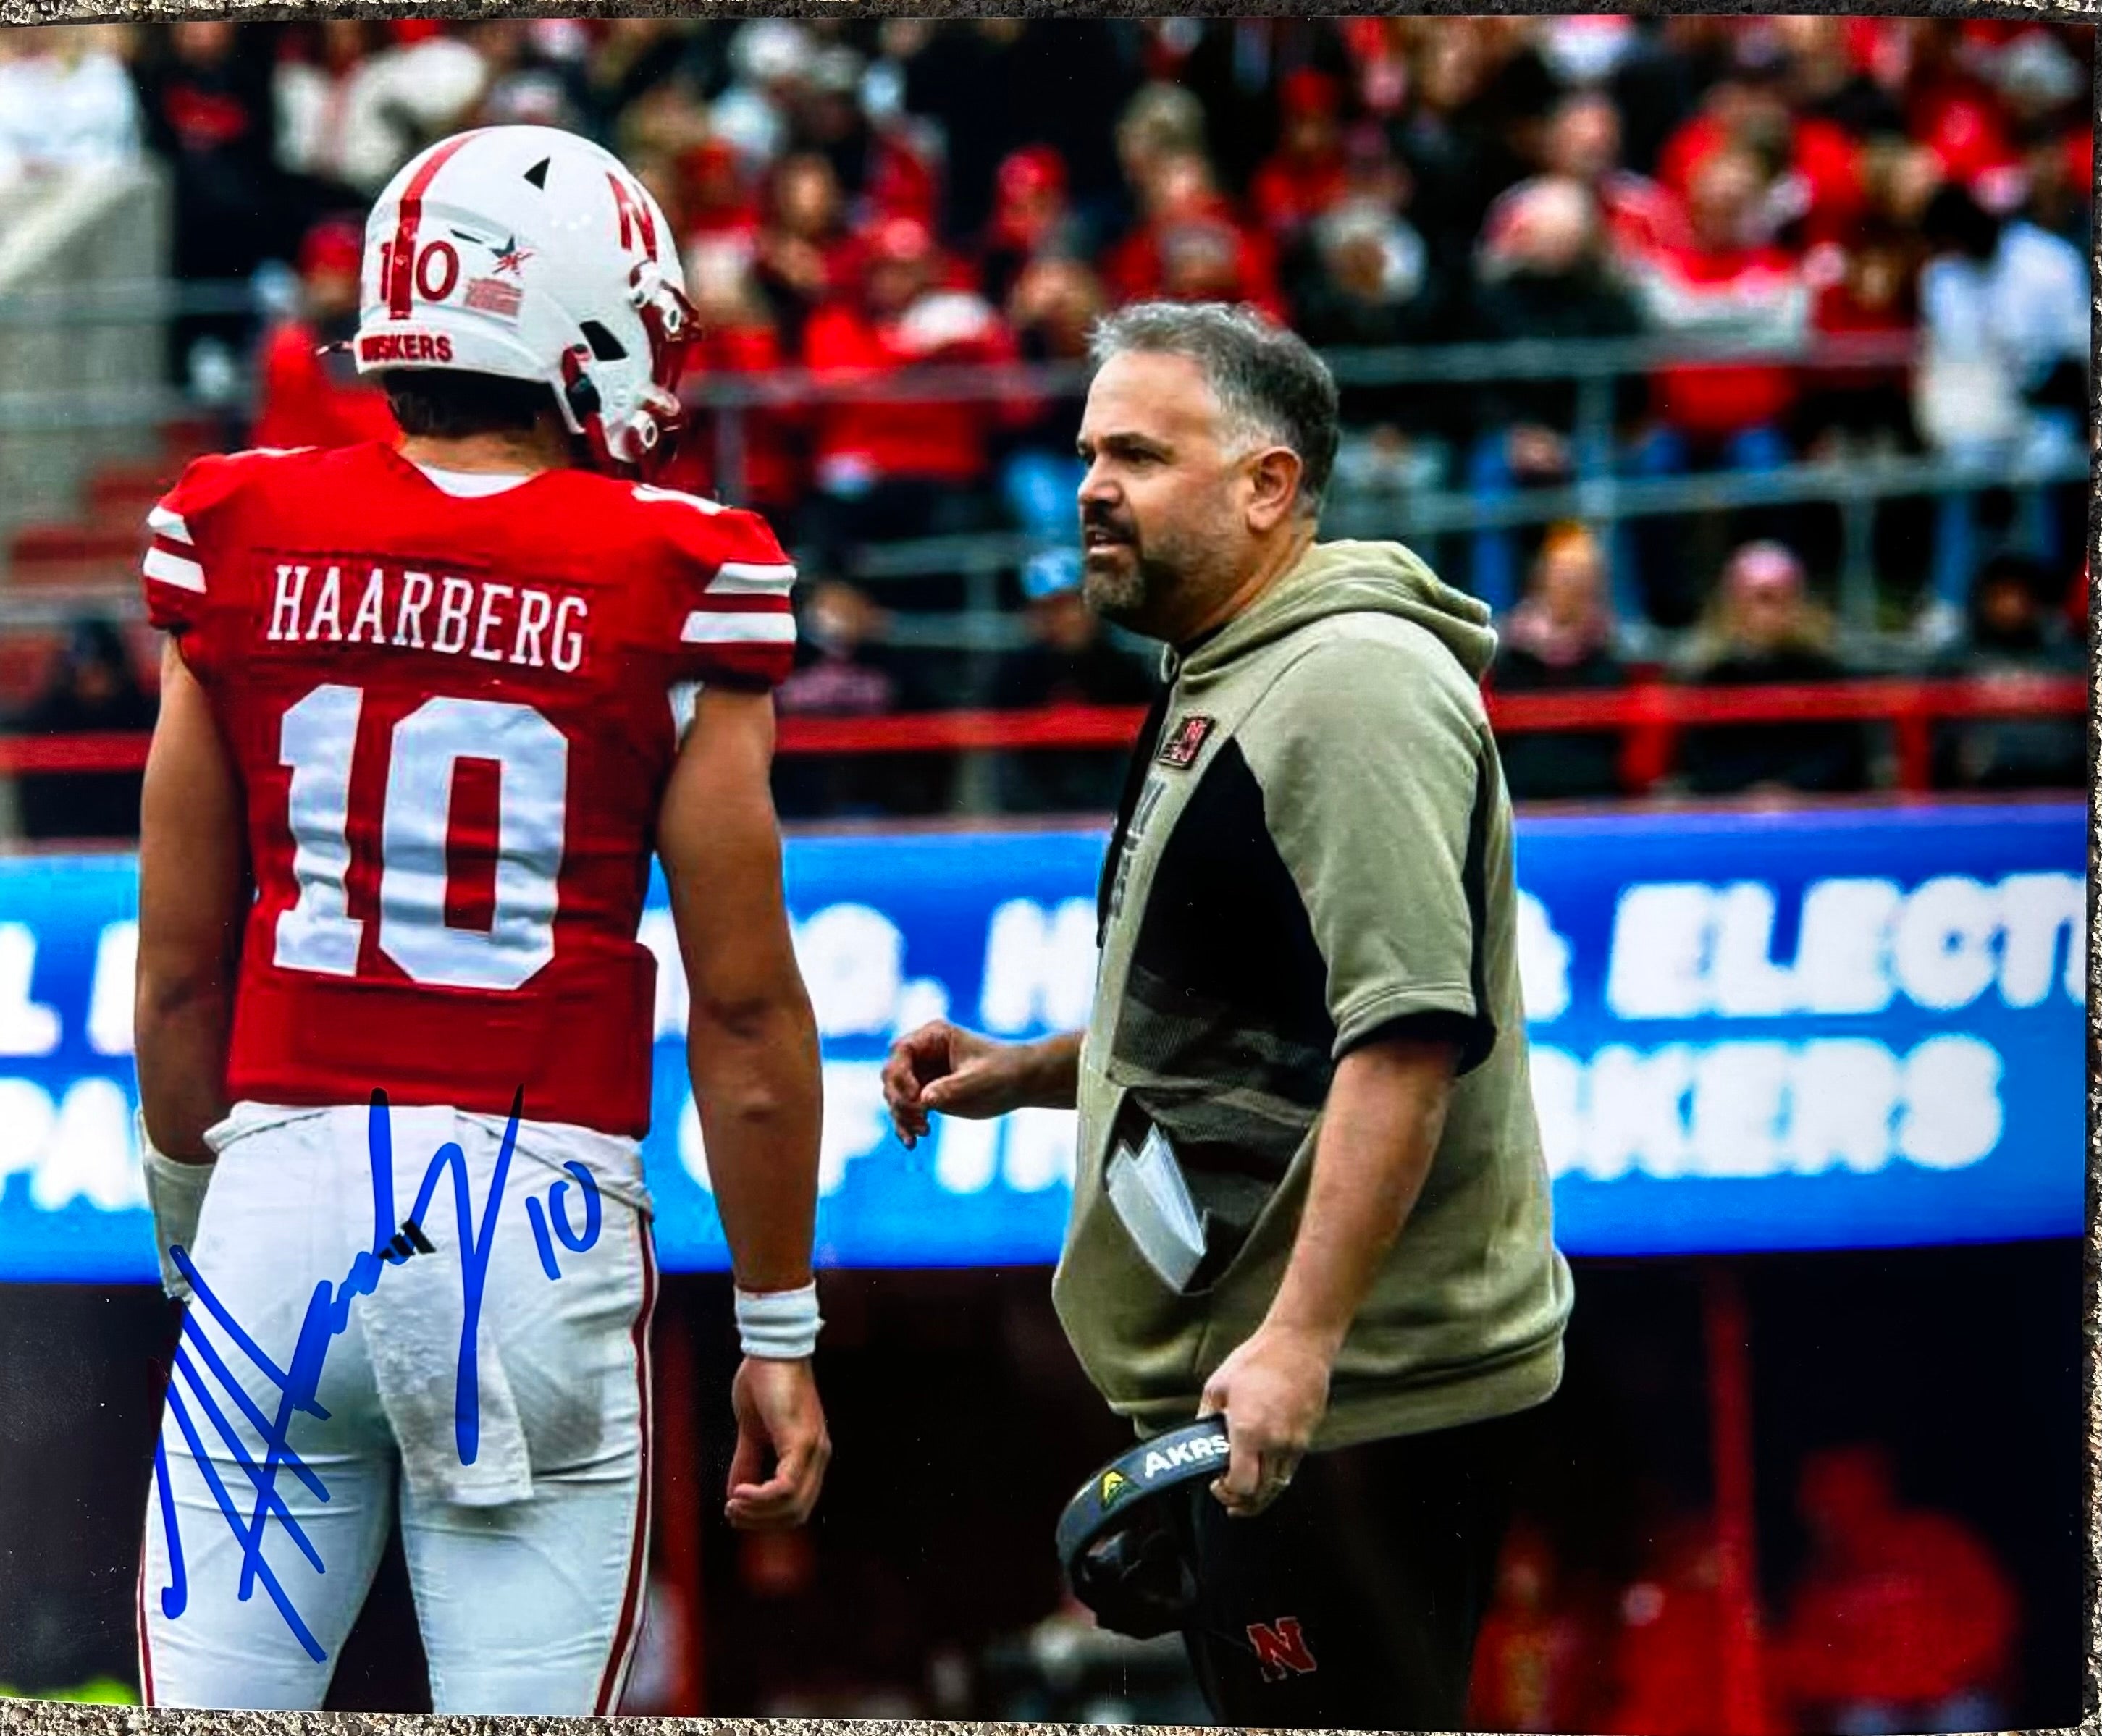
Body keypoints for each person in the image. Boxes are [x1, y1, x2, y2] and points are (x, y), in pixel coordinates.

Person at [133, 125, 830, 1714]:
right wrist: (777, 1325)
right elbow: (742, 1008)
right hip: (537, 1207)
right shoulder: (676, 567)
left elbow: (179, 966)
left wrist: (198, 1244)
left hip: (279, 1189)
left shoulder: (236, 528)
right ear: (576, 317)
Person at [883, 302, 1573, 1729]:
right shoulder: (1232, 662)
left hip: (1357, 1396)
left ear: (1267, 484)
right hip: (1269, 1393)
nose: (1088, 485)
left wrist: (1300, 1341)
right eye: (1086, 451)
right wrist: (1031, 1072)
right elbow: (1268, 1022)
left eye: (1136, 451)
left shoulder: (1347, 686)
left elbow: (1404, 1036)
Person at [1675, 539, 1868, 796]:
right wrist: (1751, 793)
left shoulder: (1823, 674)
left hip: (1815, 815)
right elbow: (1701, 763)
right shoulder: (1711, 678)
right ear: (1733, 602)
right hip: (1732, 818)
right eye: (1760, 598)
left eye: (1781, 598)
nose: (1768, 611)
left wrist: (1791, 790)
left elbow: (1842, 757)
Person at [8, 615, 156, 842]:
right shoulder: (46, 721)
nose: (94, 681)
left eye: (101, 670)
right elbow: (38, 809)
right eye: (86, 673)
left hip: (131, 845)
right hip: (64, 850)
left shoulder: (144, 715)